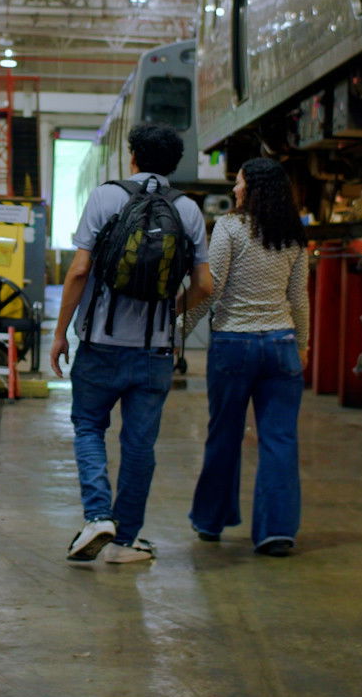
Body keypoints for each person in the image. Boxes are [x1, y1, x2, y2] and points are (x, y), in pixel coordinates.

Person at [50, 122, 212, 564]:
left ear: (133, 157)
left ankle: (99, 516)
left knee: (88, 427)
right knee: (139, 446)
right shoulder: (189, 210)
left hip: (100, 343)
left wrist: (60, 332)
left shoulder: (106, 196)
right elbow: (205, 284)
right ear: (174, 164)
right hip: (154, 351)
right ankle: (126, 542)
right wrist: (174, 312)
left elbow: (79, 271)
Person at [186, 157, 310, 557]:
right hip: (281, 346)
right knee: (280, 439)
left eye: (238, 183)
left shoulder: (230, 228)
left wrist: (176, 334)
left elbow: (211, 287)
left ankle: (211, 520)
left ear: (252, 188)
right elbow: (299, 299)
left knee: (224, 435)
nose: (234, 189)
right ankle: (276, 532)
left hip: (234, 347)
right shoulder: (293, 235)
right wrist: (303, 345)